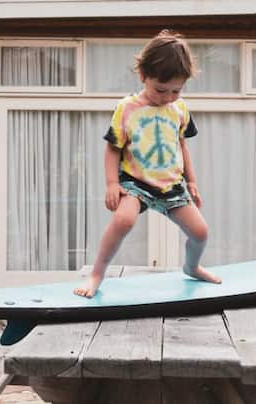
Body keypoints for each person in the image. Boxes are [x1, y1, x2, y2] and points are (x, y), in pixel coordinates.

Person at [74, 29, 222, 298]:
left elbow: (182, 144)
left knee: (200, 231)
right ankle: (97, 273)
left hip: (171, 185)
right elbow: (112, 147)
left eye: (176, 90)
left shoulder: (179, 109)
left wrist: (191, 181)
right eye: (160, 89)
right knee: (123, 220)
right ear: (143, 76)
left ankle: (192, 267)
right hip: (136, 182)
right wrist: (111, 183)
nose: (167, 97)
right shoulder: (127, 108)